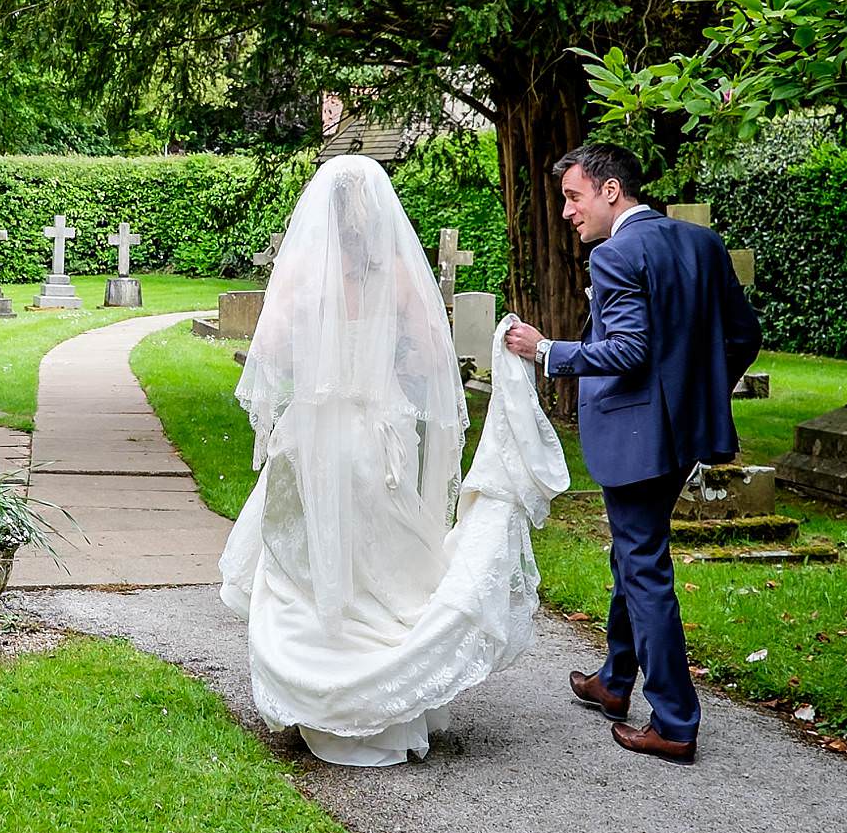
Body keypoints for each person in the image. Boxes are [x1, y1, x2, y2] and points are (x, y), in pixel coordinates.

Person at [220, 154, 568, 767]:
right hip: (381, 435)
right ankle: (391, 682)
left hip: (314, 435)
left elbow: (270, 356)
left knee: (310, 560)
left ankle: (318, 689)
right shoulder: (400, 277)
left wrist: (319, 363)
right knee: (380, 558)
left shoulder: (302, 268)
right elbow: (433, 363)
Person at [502, 142, 761, 764]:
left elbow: (627, 351)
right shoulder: (703, 244)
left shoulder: (616, 254)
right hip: (682, 438)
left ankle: (673, 721)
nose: (567, 211)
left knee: (643, 566)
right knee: (634, 552)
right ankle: (616, 681)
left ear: (611, 191)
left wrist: (545, 350)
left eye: (574, 196)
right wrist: (699, 398)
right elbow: (744, 335)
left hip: (635, 440)